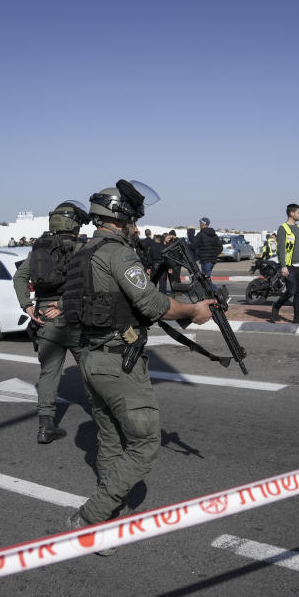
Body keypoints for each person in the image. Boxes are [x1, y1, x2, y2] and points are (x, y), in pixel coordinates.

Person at [62, 179, 213, 547]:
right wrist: (193, 310)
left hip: (89, 357)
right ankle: (89, 518)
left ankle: (105, 521)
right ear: (122, 216)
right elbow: (152, 305)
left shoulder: (84, 251)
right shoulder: (117, 253)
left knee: (111, 440)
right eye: (132, 218)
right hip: (117, 363)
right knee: (145, 442)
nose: (135, 225)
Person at [13, 200, 91, 443]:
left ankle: (45, 427)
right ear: (74, 225)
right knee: (91, 372)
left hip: (45, 317)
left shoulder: (39, 249)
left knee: (48, 374)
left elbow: (19, 277)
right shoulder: (82, 249)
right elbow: (90, 285)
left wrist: (27, 306)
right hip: (75, 317)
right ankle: (105, 424)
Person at [270, 203, 299, 324]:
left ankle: (297, 318)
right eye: (298, 212)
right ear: (291, 213)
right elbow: (281, 249)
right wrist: (283, 266)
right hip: (289, 266)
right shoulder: (283, 228)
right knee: (291, 291)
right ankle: (276, 306)